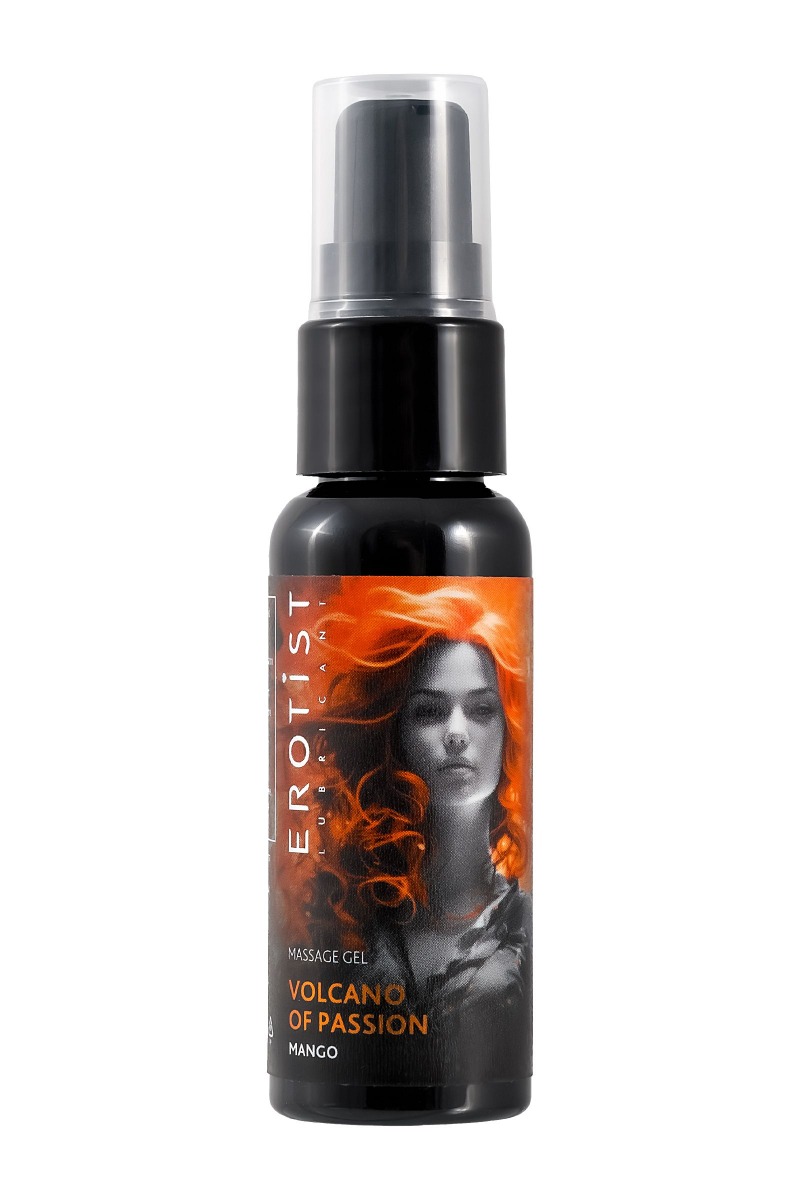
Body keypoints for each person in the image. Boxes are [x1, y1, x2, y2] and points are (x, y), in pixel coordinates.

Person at [303, 581, 532, 1028]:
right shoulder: (346, 915)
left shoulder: (528, 928)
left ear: (509, 731)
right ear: (397, 735)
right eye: (430, 711)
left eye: (481, 710)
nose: (457, 734)